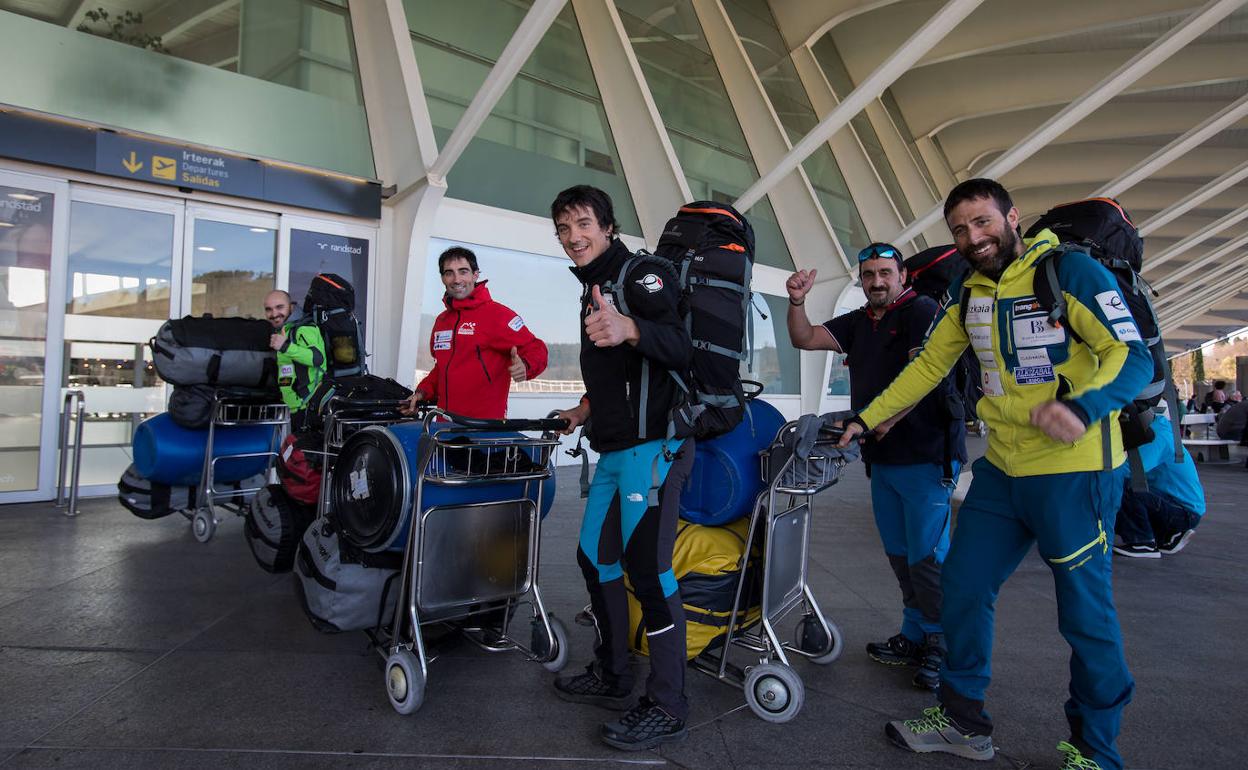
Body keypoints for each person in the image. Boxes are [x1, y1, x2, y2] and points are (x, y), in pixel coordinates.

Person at [839, 179, 1152, 770]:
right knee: (962, 585)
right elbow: (932, 362)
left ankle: (1095, 751)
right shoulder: (966, 288)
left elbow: (1131, 356)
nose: (972, 238)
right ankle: (962, 722)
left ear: (1011, 218)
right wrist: (867, 417)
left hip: (1075, 471)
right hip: (1003, 471)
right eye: (960, 229)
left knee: (1084, 616)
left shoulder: (1069, 273)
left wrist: (1081, 408)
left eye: (982, 223)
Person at [548, 185, 694, 751]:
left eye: (583, 224)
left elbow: (684, 348)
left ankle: (667, 703)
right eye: (563, 229)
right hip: (614, 450)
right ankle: (614, 673)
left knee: (650, 574)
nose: (573, 237)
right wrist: (581, 409)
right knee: (595, 558)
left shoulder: (641, 275)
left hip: (654, 450)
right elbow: (616, 378)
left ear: (607, 227)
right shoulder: (593, 288)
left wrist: (630, 328)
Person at [786, 242, 966, 691]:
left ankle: (944, 647)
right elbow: (804, 338)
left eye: (886, 273)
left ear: (902, 276)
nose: (878, 282)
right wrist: (796, 301)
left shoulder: (921, 311)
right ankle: (913, 634)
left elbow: (926, 377)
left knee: (928, 559)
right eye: (869, 275)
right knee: (901, 555)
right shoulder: (862, 321)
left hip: (925, 453)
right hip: (882, 457)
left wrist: (881, 420)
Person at [400, 246, 548, 419]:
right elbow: (442, 369)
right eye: (449, 273)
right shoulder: (442, 321)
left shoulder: (498, 315)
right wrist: (421, 393)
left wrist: (526, 365)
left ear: (475, 274)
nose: (456, 279)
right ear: (442, 278)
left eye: (463, 271)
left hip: (483, 430)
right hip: (445, 425)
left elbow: (537, 348)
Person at [1113, 413, 1205, 558]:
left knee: (1120, 485)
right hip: (1179, 506)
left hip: (1183, 512)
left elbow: (1130, 469)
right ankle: (1168, 536)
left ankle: (1142, 541)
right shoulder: (1158, 428)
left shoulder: (1157, 437)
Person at [265, 289, 326, 432]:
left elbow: (317, 358)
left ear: (291, 307)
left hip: (307, 408)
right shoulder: (285, 330)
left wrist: (285, 346)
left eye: (280, 307)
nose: (274, 314)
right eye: (268, 309)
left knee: (303, 453)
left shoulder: (304, 328)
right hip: (290, 409)